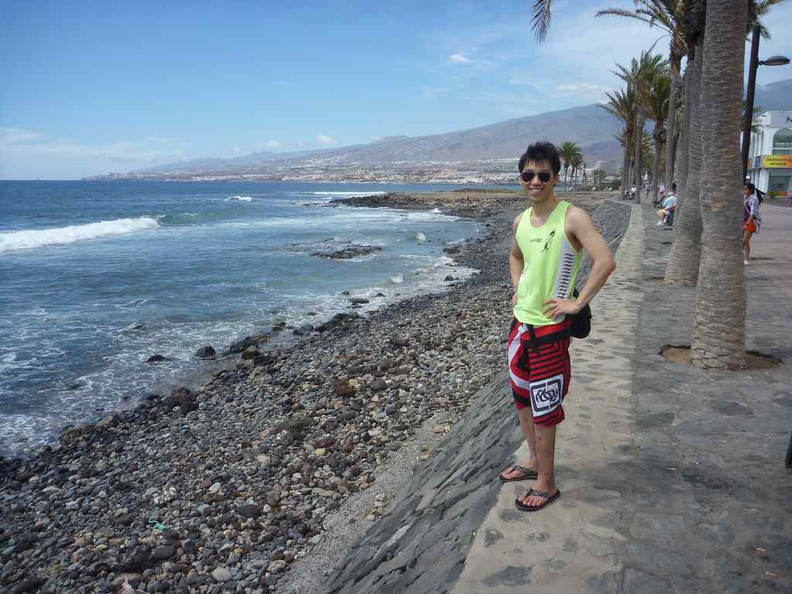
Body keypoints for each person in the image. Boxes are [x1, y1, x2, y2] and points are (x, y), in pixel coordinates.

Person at [498, 141, 616, 511]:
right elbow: (515, 256)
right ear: (521, 178)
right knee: (522, 399)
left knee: (545, 408)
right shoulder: (520, 221)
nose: (535, 181)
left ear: (555, 178)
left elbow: (605, 261)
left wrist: (577, 303)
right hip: (521, 328)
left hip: (550, 332)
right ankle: (534, 461)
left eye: (543, 175)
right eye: (528, 174)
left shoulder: (572, 217)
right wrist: (518, 288)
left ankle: (547, 484)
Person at [743, 182, 761, 265]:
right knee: (742, 241)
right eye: (744, 188)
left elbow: (752, 213)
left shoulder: (753, 199)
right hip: (743, 220)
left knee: (745, 241)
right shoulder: (744, 197)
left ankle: (746, 259)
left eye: (746, 189)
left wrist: (747, 223)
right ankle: (743, 256)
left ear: (750, 190)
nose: (744, 190)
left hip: (750, 221)